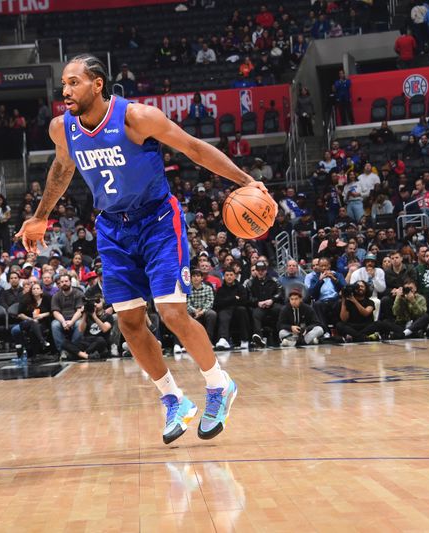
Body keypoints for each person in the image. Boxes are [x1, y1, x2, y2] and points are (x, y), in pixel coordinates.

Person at [16, 55, 275, 443]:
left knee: (171, 312)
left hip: (156, 220)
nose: (66, 91)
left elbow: (193, 148)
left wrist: (246, 180)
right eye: (63, 85)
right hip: (111, 228)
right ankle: (174, 399)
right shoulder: (62, 128)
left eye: (74, 83)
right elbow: (62, 168)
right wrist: (40, 216)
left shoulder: (137, 117)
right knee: (130, 323)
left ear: (98, 84)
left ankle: (218, 385)